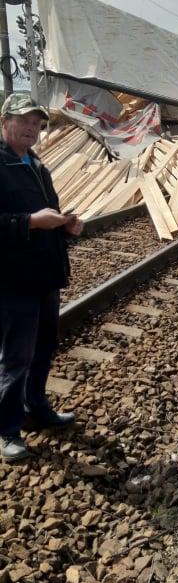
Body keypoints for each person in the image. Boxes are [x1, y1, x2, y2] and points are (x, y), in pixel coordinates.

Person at [0, 93, 83, 463]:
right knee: (16, 356)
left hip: (45, 276)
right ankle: (6, 430)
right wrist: (31, 222)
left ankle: (36, 408)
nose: (32, 127)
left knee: (44, 348)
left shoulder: (35, 164)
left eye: (36, 122)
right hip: (13, 280)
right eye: (24, 120)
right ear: (4, 122)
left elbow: (49, 213)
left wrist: (68, 226)